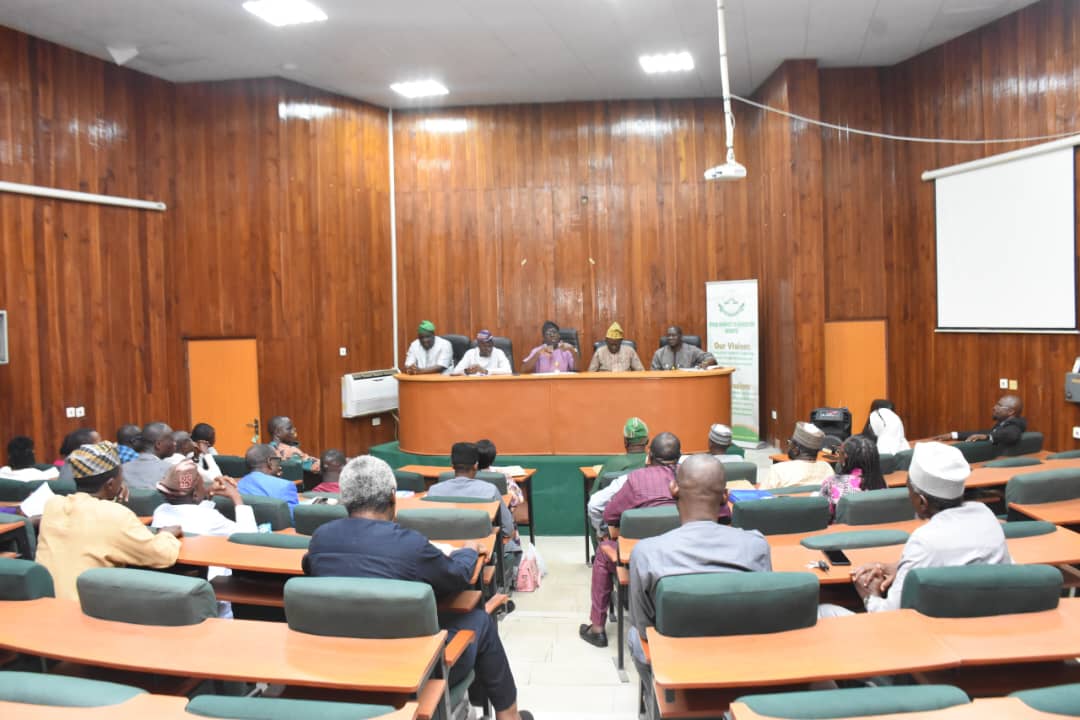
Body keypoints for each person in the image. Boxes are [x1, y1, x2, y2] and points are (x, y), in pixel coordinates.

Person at [302, 455, 532, 720]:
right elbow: (457, 577)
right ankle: (509, 715)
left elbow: (311, 567)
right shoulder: (409, 545)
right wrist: (468, 551)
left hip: (339, 662)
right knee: (480, 620)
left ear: (344, 498)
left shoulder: (321, 539)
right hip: (414, 670)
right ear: (392, 497)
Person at [821, 442, 1011, 616]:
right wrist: (901, 567)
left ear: (922, 502)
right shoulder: (987, 516)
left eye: (909, 489)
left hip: (929, 633)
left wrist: (869, 595)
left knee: (823, 611)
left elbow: (891, 615)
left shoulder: (924, 541)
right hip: (987, 623)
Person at [628, 455, 771, 666]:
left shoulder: (646, 553)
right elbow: (765, 611)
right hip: (741, 659)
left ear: (673, 489)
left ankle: (655, 687)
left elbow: (644, 628)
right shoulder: (756, 545)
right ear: (725, 496)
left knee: (633, 635)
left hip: (676, 664)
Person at [35, 442, 182, 601]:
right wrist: (167, 534)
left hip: (45, 605)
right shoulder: (116, 515)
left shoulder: (52, 505)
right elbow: (162, 555)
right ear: (110, 484)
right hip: (84, 609)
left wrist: (111, 497)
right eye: (121, 477)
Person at [580, 432, 681, 648]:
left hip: (640, 558)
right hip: (682, 554)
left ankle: (597, 628)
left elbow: (609, 515)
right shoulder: (692, 477)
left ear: (649, 457)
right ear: (679, 458)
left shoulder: (636, 479)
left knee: (603, 553)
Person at [427, 443, 518, 549]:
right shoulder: (490, 490)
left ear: (452, 464)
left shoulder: (434, 491)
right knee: (512, 548)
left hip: (442, 549)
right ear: (476, 465)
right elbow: (508, 529)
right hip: (480, 549)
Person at [151, 459, 257, 537]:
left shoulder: (160, 510)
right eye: (203, 485)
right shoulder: (211, 518)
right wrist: (236, 497)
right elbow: (249, 537)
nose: (205, 487)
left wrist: (207, 493)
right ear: (195, 495)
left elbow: (192, 512)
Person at [819, 434, 887, 516]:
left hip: (842, 524)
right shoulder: (881, 483)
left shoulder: (831, 482)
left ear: (845, 459)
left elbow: (823, 513)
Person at [931, 394, 1027, 448]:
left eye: (999, 406)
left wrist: (987, 437)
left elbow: (1011, 434)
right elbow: (985, 433)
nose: (994, 408)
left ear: (1010, 412)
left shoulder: (1015, 425)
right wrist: (954, 435)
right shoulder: (1004, 423)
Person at [759, 422, 834, 490]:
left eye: (790, 443)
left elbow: (760, 498)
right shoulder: (827, 468)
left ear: (796, 450)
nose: (789, 446)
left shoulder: (778, 471)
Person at [238, 444, 299, 516]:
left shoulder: (239, 485)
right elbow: (293, 518)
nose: (280, 464)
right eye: (278, 460)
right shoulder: (285, 486)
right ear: (270, 462)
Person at [119, 422, 174, 490]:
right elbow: (183, 493)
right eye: (172, 440)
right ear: (158, 444)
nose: (175, 443)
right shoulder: (172, 470)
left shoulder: (121, 470)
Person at [595, 417, 649, 484]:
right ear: (647, 441)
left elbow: (596, 490)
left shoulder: (612, 463)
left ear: (625, 442)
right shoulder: (652, 463)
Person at [650, 326, 717, 370]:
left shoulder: (691, 350)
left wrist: (706, 363)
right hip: (665, 385)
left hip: (688, 384)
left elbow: (710, 358)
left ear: (680, 337)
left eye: (674, 335)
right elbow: (654, 373)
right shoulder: (659, 353)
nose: (670, 338)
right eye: (668, 336)